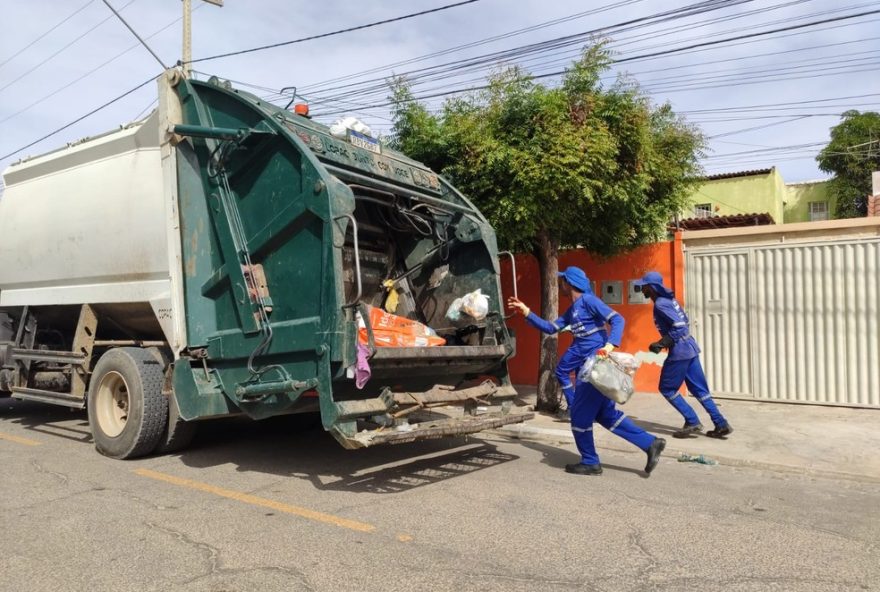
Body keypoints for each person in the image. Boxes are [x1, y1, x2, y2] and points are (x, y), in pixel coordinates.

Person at [508, 266, 666, 476]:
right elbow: (550, 328)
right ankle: (650, 443)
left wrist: (610, 345)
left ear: (569, 283)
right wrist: (526, 312)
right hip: (590, 370)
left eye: (562, 280)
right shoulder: (572, 310)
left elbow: (618, 319)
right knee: (606, 415)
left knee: (580, 418)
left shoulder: (589, 301)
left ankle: (591, 461)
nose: (560, 283)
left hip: (595, 370)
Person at [634, 271, 733, 439]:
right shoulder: (670, 301)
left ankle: (692, 420)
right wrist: (665, 341)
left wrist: (662, 343)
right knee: (700, 390)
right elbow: (684, 321)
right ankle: (721, 424)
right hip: (690, 348)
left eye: (644, 286)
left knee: (667, 388)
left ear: (651, 287)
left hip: (680, 352)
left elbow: (679, 327)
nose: (641, 289)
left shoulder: (661, 304)